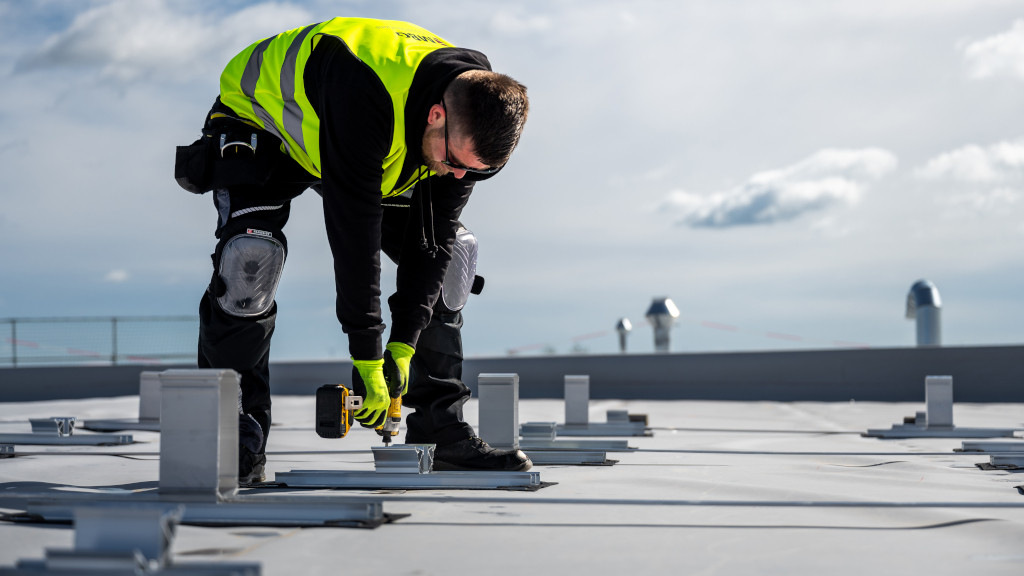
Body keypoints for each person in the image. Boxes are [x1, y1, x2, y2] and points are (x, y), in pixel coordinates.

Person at [173, 17, 531, 483]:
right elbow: (354, 230)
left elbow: (434, 243)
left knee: (454, 259)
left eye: (477, 172)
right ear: (437, 116)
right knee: (250, 261)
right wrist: (366, 353)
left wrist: (402, 346)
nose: (460, 178)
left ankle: (441, 427)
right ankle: (234, 431)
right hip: (267, 121)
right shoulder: (364, 88)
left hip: (373, 140)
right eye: (455, 163)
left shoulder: (471, 117)